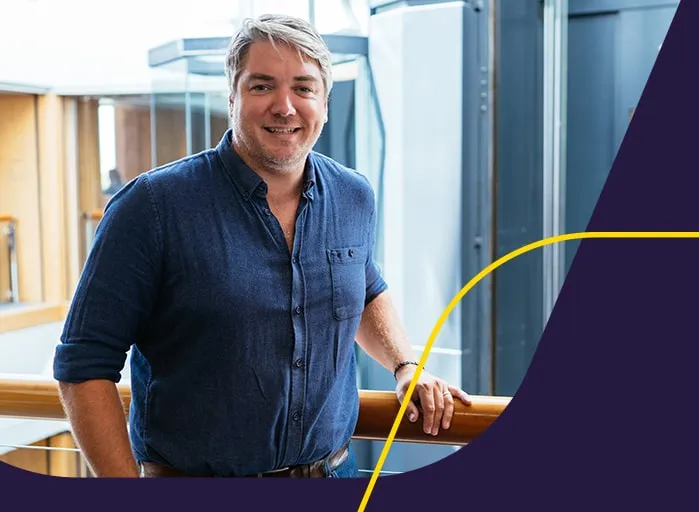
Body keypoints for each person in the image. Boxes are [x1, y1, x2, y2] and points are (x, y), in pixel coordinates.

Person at [52, 13, 471, 479]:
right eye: (262, 86)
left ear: (325, 103)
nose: (285, 106)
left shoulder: (354, 195)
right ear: (232, 96)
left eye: (304, 88)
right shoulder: (152, 207)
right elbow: (83, 364)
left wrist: (404, 365)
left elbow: (365, 287)